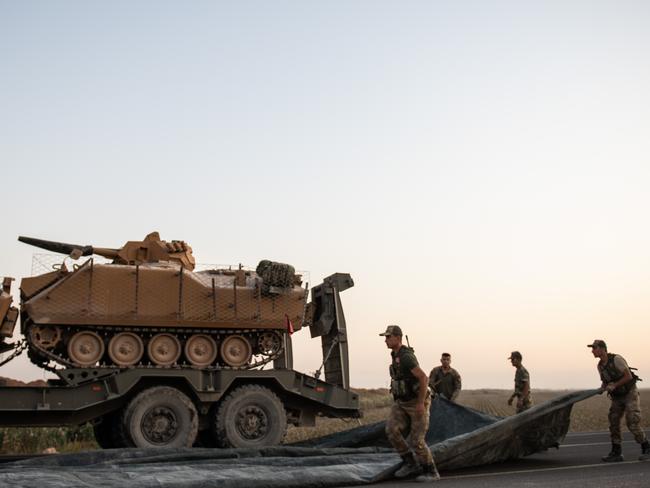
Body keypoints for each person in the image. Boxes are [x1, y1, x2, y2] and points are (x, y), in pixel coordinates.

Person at [380, 324, 440, 482]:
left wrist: (421, 404)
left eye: (388, 337)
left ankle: (431, 471)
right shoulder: (395, 354)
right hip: (402, 401)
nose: (385, 340)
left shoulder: (406, 357)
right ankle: (411, 463)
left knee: (416, 440)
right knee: (391, 430)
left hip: (416, 402)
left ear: (398, 338)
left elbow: (423, 378)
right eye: (385, 337)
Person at [588, 339, 650, 462]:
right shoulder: (600, 366)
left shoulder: (616, 359)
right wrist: (602, 388)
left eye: (594, 348)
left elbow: (628, 376)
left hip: (629, 394)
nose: (592, 351)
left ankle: (646, 447)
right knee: (613, 421)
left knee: (632, 422)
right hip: (617, 396)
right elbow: (605, 381)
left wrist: (615, 385)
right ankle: (616, 452)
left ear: (602, 349)